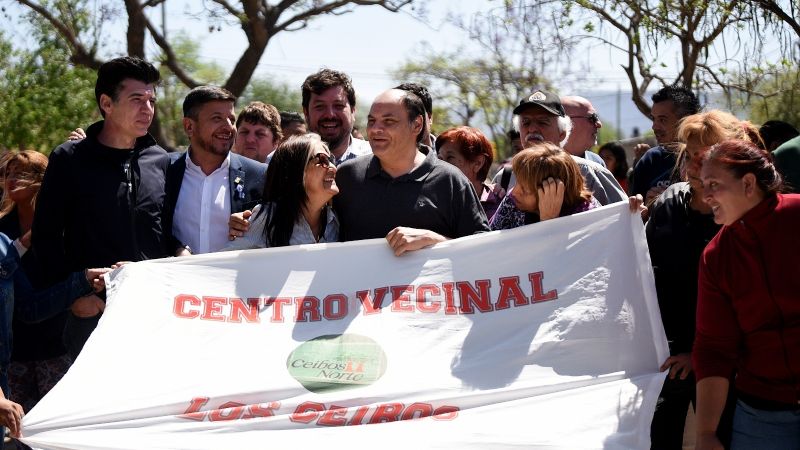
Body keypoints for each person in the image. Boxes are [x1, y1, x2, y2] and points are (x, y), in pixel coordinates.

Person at [31, 56, 171, 359]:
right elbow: (45, 237)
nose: (147, 109)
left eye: (151, 101)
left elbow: (167, 231)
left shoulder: (160, 160)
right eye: (136, 100)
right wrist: (73, 296)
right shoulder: (69, 158)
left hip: (152, 309)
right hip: (91, 314)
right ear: (107, 103)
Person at [646, 110, 761, 450]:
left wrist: (698, 353)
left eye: (707, 156)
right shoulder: (668, 204)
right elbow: (647, 278)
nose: (696, 166)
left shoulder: (745, 216)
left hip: (729, 366)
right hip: (666, 363)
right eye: (691, 154)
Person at [693, 139, 800, 450]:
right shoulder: (716, 256)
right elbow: (713, 348)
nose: (706, 195)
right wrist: (705, 433)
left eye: (714, 184)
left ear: (749, 183)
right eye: (703, 185)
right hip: (762, 415)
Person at [333, 88, 490, 255]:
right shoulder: (347, 177)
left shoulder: (451, 181)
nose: (375, 129)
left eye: (389, 121)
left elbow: (483, 250)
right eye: (371, 121)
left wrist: (433, 240)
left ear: (417, 125)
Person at [164, 86, 266, 256]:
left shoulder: (260, 175)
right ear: (189, 126)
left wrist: (253, 225)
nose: (228, 127)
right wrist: (177, 249)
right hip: (177, 273)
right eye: (217, 118)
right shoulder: (165, 171)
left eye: (231, 119)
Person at [491, 90, 626, 205]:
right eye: (526, 122)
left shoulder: (588, 172)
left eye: (542, 122)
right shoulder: (505, 178)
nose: (532, 129)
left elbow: (622, 218)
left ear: (562, 133)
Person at [225, 134, 338, 249]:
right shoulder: (267, 220)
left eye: (331, 160)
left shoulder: (338, 219)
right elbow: (228, 257)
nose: (333, 167)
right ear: (297, 172)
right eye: (322, 160)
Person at [490, 143, 600, 230]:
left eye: (525, 190)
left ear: (554, 189)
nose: (514, 192)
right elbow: (491, 241)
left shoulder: (588, 217)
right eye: (517, 182)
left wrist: (549, 221)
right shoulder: (514, 201)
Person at [631, 84, 701, 203]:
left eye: (662, 120)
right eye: (654, 119)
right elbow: (633, 208)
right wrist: (649, 206)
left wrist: (672, 198)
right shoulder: (650, 159)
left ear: (686, 120)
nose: (654, 126)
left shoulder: (708, 159)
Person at [301, 69, 370, 165]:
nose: (330, 115)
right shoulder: (285, 162)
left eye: (338, 106)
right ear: (306, 113)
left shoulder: (378, 159)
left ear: (353, 111)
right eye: (320, 106)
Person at [435, 126, 502, 219]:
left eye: (450, 157)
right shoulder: (433, 202)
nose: (441, 165)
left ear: (478, 163)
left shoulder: (501, 207)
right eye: (440, 158)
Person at [561, 95, 606, 167]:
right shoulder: (545, 163)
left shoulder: (597, 162)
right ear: (567, 122)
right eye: (592, 118)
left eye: (597, 117)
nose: (599, 124)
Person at [395, 82, 435, 147]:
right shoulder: (381, 152)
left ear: (429, 117)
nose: (409, 124)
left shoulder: (449, 149)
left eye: (413, 116)